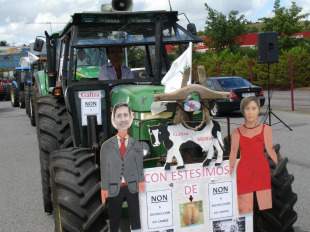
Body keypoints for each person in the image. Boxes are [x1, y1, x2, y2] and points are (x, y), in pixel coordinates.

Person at [229, 96, 278, 214]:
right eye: (247, 109)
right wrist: (228, 175)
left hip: (262, 170)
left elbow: (271, 150)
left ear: (258, 110)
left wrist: (277, 166)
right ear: (243, 111)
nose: (251, 112)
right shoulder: (237, 131)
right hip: (244, 171)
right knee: (245, 210)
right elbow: (233, 154)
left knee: (266, 209)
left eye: (254, 108)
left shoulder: (266, 129)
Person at [100, 103, 144, 232]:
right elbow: (105, 168)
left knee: (135, 216)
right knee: (114, 217)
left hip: (132, 185)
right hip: (115, 186)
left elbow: (139, 165)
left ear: (131, 118)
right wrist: (104, 188)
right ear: (113, 120)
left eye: (125, 115)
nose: (123, 119)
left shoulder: (136, 144)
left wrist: (141, 180)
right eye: (119, 116)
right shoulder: (107, 146)